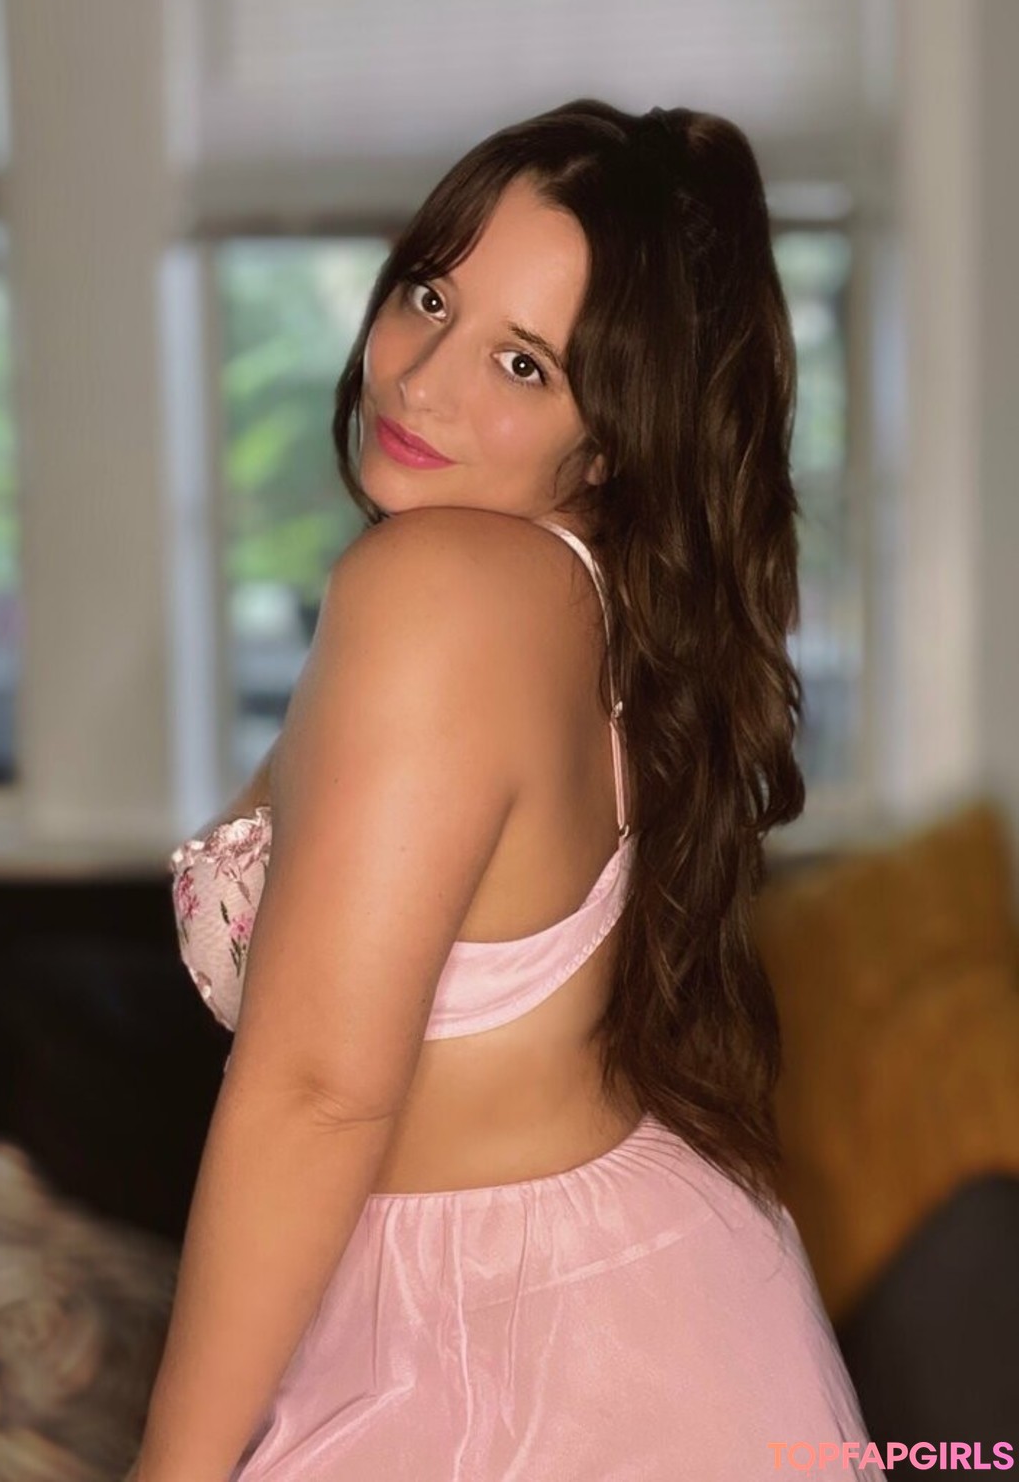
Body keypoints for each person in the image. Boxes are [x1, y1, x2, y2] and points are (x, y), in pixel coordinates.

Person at [133, 100, 884, 1481]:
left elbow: (317, 1092)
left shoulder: (437, 593)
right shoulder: (583, 600)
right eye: (431, 295)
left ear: (609, 443)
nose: (421, 380)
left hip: (518, 1366)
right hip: (593, 1304)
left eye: (523, 363)